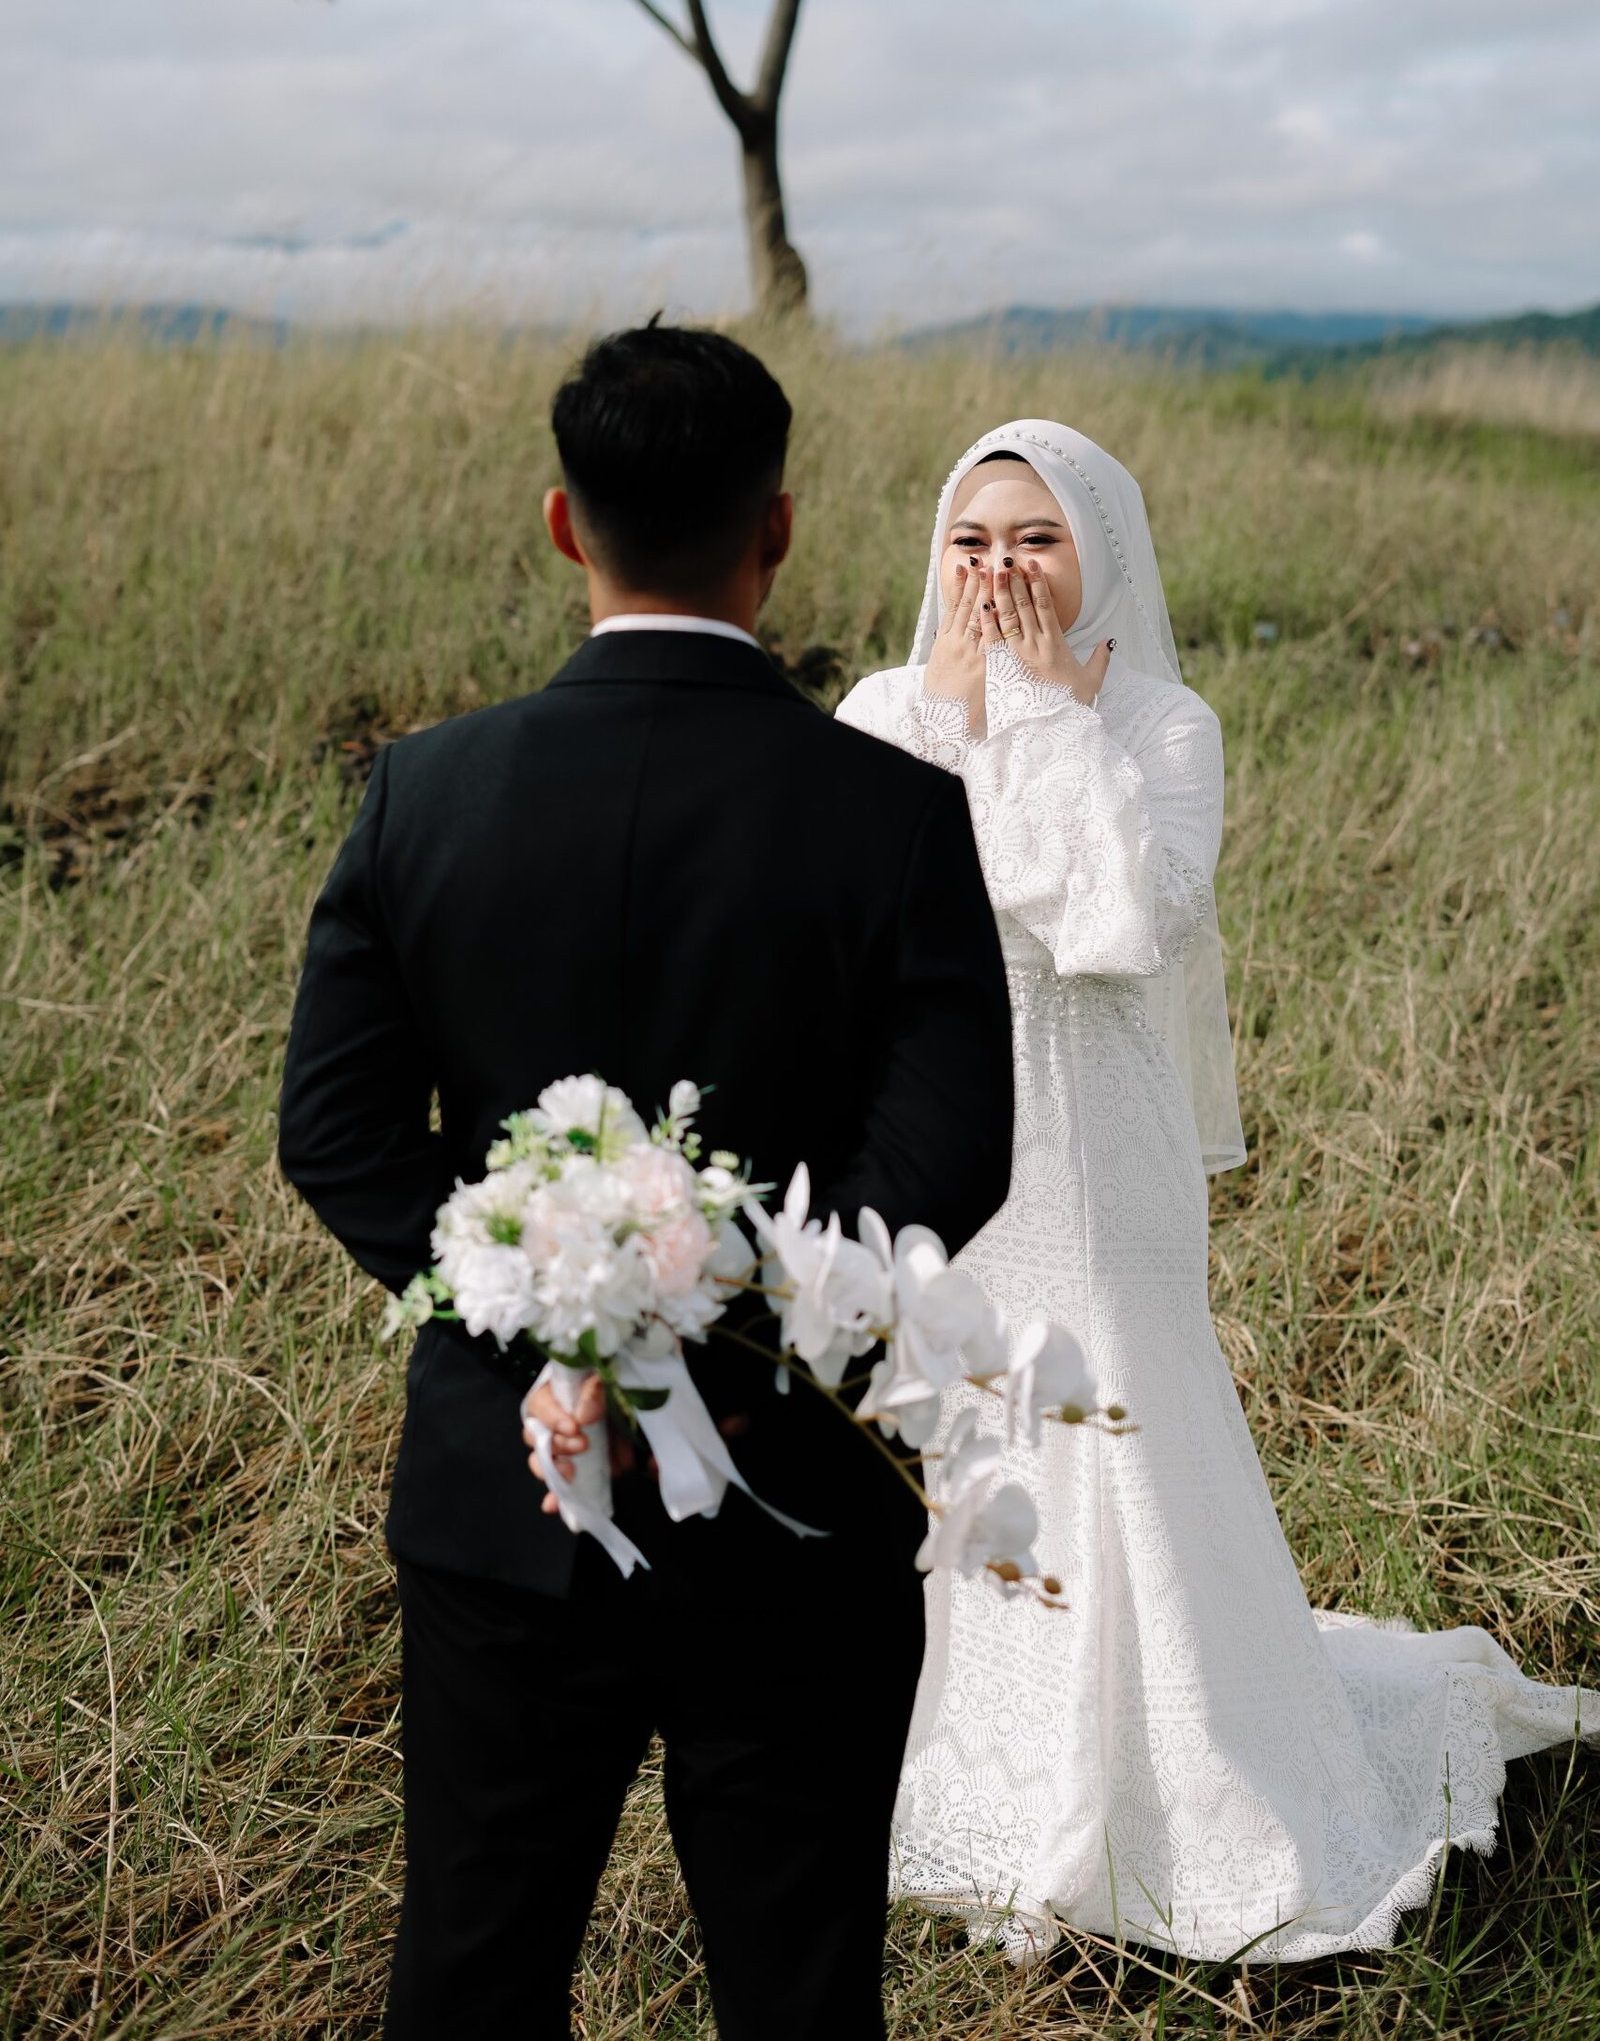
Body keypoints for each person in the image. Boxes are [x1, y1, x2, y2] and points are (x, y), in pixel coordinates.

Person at [276, 326, 1016, 2041]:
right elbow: (949, 1151)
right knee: (800, 1986)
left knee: (472, 1969)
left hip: (504, 1488)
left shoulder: (423, 793)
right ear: (778, 530)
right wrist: (739, 1336)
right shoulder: (897, 813)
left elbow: (338, 1133)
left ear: (562, 524)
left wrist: (553, 1330)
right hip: (798, 1496)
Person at [837, 418, 1593, 1964]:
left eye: (1035, 539)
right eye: (972, 540)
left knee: (1112, 1401)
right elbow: (856, 915)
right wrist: (970, 731)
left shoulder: (1166, 721)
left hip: (1097, 1135)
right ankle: (972, 1756)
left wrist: (1043, 716)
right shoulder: (881, 710)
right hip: (934, 1129)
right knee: (958, 1419)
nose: (998, 570)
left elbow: (1120, 922)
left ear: (1098, 552)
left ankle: (1187, 1774)